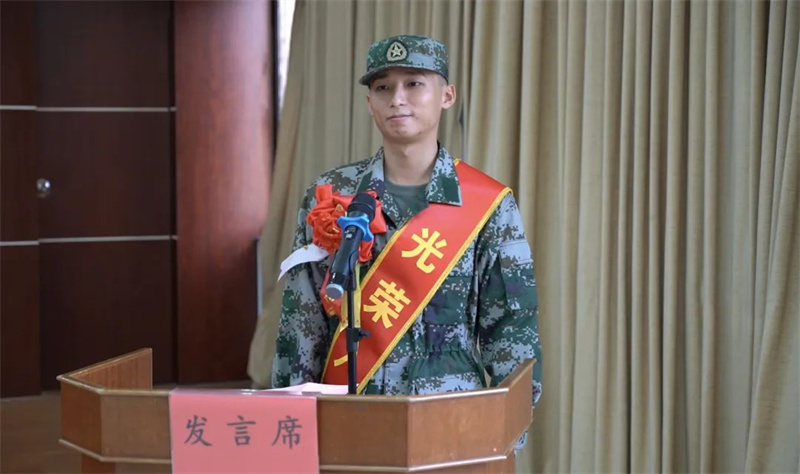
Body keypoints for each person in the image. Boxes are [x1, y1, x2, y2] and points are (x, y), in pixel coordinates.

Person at [271, 35, 541, 412]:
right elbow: (303, 320)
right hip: (352, 409)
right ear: (370, 103)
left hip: (449, 412)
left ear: (447, 96)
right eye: (383, 88)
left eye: (414, 83)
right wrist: (291, 416)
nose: (397, 99)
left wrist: (506, 430)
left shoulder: (487, 203)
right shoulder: (331, 194)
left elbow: (512, 329)